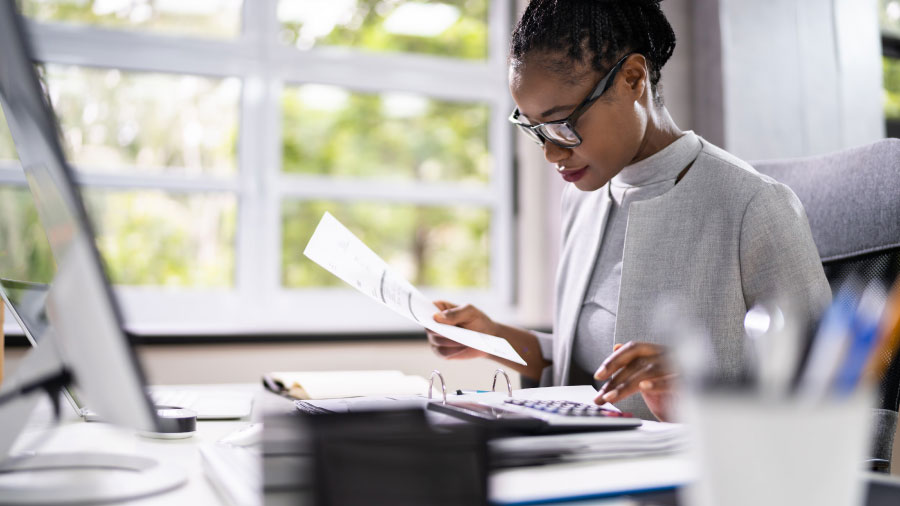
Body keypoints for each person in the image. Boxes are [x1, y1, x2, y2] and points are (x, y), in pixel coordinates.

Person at [426, 0, 831, 421]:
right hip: (586, 457)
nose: (550, 153)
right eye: (535, 129)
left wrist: (691, 387)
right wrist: (491, 336)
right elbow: (582, 369)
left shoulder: (753, 205)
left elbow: (830, 388)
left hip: (698, 473)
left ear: (632, 79)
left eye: (562, 123)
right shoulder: (583, 198)